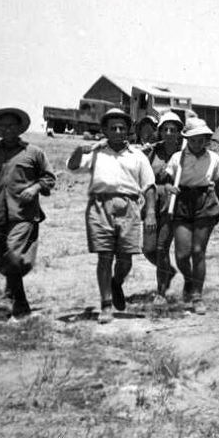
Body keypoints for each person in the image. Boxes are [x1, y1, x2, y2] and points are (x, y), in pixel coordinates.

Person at [0, 107, 55, 320]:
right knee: (3, 263)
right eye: (3, 126)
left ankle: (21, 307)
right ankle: (9, 293)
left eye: (11, 125)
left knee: (14, 258)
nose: (7, 130)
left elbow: (49, 178)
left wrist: (34, 188)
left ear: (19, 128)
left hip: (23, 214)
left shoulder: (33, 152)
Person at [67, 108, 156, 323]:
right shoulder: (95, 152)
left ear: (128, 130)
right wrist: (79, 150)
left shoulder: (138, 156)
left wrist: (151, 212)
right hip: (100, 206)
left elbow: (149, 186)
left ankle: (116, 283)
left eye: (121, 128)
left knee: (125, 259)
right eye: (113, 128)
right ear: (105, 130)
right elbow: (73, 167)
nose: (117, 132)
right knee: (104, 256)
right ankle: (106, 305)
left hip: (129, 207)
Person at [165, 118, 219, 315]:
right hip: (182, 203)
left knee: (198, 251)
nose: (197, 143)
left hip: (204, 202)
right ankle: (189, 279)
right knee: (182, 254)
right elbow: (167, 182)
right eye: (193, 139)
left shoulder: (213, 158)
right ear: (186, 139)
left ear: (206, 139)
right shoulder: (177, 158)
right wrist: (170, 188)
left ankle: (197, 296)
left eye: (201, 139)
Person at [142, 111, 184, 303]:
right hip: (151, 204)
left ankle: (161, 291)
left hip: (172, 206)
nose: (168, 133)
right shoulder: (151, 151)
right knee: (148, 249)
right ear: (159, 131)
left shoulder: (185, 152)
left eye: (173, 130)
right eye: (165, 129)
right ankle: (168, 271)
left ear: (179, 132)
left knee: (161, 248)